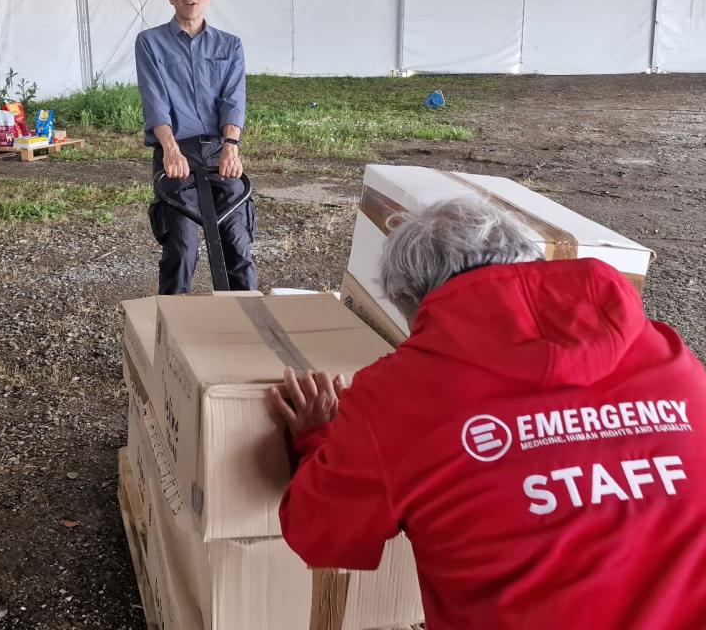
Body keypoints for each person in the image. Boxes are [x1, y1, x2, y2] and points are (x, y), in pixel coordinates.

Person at [270, 198, 706, 629]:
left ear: (411, 303)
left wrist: (315, 436)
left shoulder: (398, 395)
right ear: (530, 257)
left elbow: (320, 535)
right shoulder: (669, 355)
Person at [135, 0, 257, 295]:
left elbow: (234, 98)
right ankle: (171, 333)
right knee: (182, 248)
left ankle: (248, 326)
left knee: (236, 244)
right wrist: (170, 150)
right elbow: (154, 99)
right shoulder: (150, 42)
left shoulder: (229, 45)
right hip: (177, 149)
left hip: (220, 148)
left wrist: (231, 146)